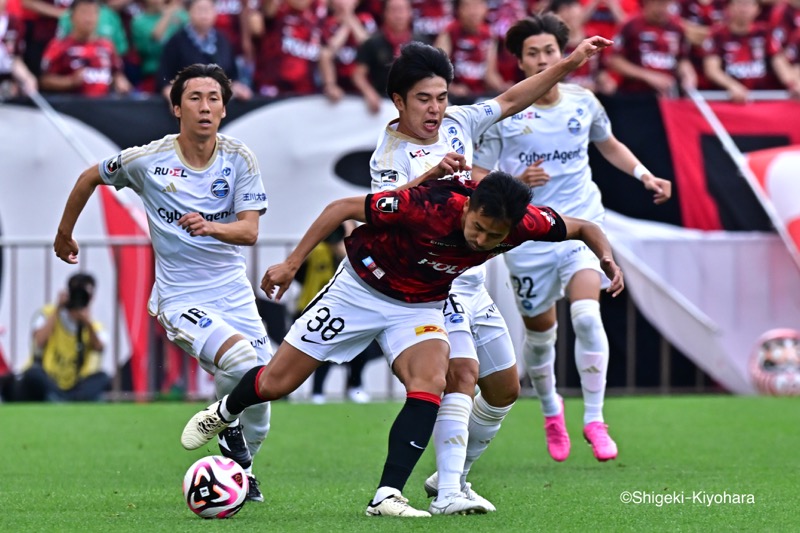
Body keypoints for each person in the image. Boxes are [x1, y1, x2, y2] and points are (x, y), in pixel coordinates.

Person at [180, 170, 624, 518]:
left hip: (420, 305)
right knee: (277, 382)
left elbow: (584, 227)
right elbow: (340, 208)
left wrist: (605, 257)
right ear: (468, 206)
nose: (484, 240)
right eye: (480, 228)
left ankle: (386, 494)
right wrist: (291, 264)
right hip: (359, 287)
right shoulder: (427, 206)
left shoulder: (524, 223)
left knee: (431, 380)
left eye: (496, 236)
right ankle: (222, 413)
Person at [367, 35, 609, 515]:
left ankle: (448, 477)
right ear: (399, 101)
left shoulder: (459, 122)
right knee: (462, 373)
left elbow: (514, 96)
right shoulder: (389, 155)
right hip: (431, 285)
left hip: (472, 282)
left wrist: (571, 61)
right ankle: (450, 490)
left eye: (441, 96)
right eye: (424, 99)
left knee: (504, 390)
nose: (436, 108)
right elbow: (380, 215)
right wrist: (431, 176)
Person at [53, 63, 270, 503]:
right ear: (176, 108)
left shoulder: (239, 158)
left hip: (233, 290)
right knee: (244, 363)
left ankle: (238, 471)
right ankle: (233, 448)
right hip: (181, 296)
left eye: (214, 98)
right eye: (195, 98)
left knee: (264, 391)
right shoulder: (148, 160)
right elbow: (89, 176)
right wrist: (64, 233)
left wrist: (211, 226)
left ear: (224, 110)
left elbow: (249, 231)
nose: (205, 107)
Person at [472, 14, 671, 464]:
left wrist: (645, 175)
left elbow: (609, 143)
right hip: (526, 235)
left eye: (549, 51)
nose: (543, 59)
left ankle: (595, 419)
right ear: (520, 64)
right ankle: (550, 411)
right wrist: (514, 178)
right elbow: (475, 172)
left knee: (585, 314)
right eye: (533, 54)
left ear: (562, 54)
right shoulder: (503, 113)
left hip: (582, 224)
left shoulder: (584, 102)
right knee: (541, 335)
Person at [15, 272, 111, 402]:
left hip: (74, 383)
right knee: (33, 374)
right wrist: (58, 308)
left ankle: (63, 399)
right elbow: (39, 341)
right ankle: (64, 398)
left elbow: (99, 348)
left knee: (103, 378)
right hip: (47, 378)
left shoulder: (94, 326)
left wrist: (87, 322)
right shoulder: (48, 313)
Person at [39, 0, 132, 97]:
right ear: (72, 17)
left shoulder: (107, 46)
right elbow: (44, 80)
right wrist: (69, 82)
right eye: (84, 12)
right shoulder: (58, 46)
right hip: (72, 106)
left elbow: (116, 74)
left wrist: (120, 82)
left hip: (104, 105)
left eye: (93, 13)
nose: (89, 18)